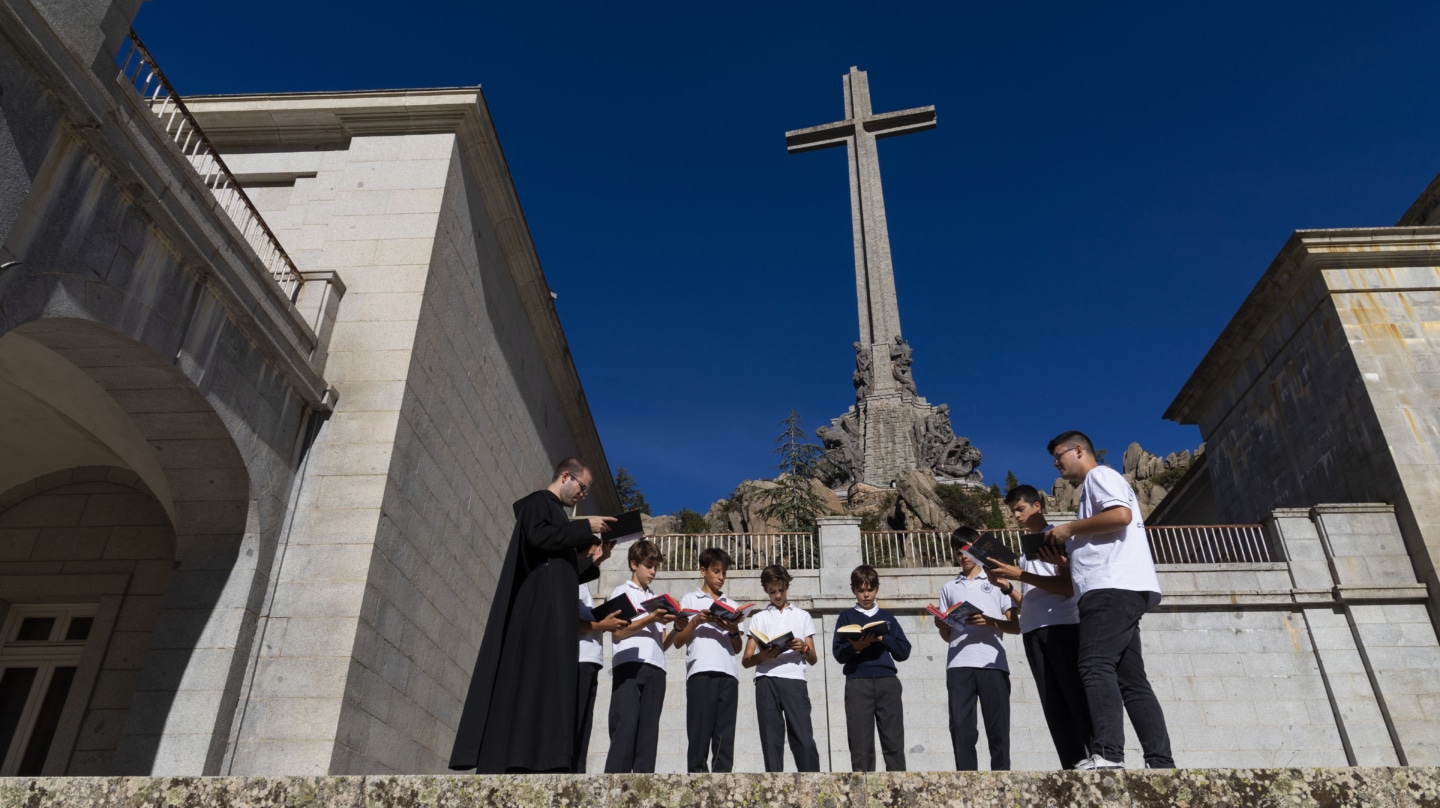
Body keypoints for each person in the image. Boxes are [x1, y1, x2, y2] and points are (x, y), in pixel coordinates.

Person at [449, 459, 614, 773]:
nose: (583, 494)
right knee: (531, 682)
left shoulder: (559, 521)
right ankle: (521, 757)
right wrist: (586, 526)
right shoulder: (538, 503)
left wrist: (595, 560)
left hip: (552, 611)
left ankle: (542, 757)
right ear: (565, 476)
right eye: (583, 487)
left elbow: (559, 572)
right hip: (538, 612)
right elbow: (538, 538)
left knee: (548, 685)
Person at [1046, 430, 1174, 769]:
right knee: (1131, 680)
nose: (1056, 463)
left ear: (1078, 450)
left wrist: (1069, 529)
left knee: (1093, 664)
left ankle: (1108, 754)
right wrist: (1069, 556)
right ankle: (1160, 761)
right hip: (1124, 588)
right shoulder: (1095, 487)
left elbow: (1120, 516)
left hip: (1111, 589)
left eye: (1059, 455)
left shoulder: (1099, 476)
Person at [986, 485, 1093, 769]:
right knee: (1052, 703)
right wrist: (1008, 586)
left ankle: (1097, 755)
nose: (1016, 516)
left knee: (1074, 695)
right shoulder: (1026, 548)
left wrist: (1019, 574)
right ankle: (1071, 763)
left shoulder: (1057, 538)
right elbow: (1032, 596)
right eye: (1012, 511)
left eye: (1020, 509)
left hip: (1061, 626)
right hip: (1033, 629)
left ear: (1037, 506)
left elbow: (1067, 587)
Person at [938, 526, 1019, 771]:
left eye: (967, 550)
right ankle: (966, 781)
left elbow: (1016, 626)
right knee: (961, 728)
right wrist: (942, 624)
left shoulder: (997, 582)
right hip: (959, 665)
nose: (963, 556)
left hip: (992, 663)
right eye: (958, 551)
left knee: (998, 728)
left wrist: (991, 622)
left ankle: (1003, 779)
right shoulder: (948, 588)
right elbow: (947, 635)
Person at [604, 540, 676, 773]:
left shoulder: (656, 598)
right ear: (634, 564)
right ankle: (615, 783)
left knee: (648, 731)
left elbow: (662, 644)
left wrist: (678, 626)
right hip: (629, 665)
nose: (653, 572)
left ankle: (644, 785)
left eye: (656, 566)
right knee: (625, 725)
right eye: (649, 565)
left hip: (656, 668)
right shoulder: (621, 592)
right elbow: (618, 632)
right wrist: (650, 618)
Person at [832, 564, 912, 772]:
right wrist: (855, 647)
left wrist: (882, 637)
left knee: (893, 741)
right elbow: (838, 654)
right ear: (853, 590)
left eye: (870, 590)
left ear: (877, 589)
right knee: (860, 744)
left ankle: (897, 793)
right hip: (858, 682)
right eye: (861, 590)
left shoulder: (888, 617)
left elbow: (904, 652)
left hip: (887, 681)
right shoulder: (846, 617)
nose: (866, 595)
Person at [671, 547, 744, 772]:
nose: (721, 577)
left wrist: (732, 629)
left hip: (728, 674)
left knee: (725, 733)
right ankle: (696, 779)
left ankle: (723, 781)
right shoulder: (690, 599)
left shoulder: (731, 605)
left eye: (724, 573)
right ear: (703, 571)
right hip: (700, 672)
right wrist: (696, 621)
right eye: (716, 571)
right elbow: (677, 641)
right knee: (699, 730)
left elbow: (738, 647)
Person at [743, 564, 820, 772]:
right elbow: (746, 659)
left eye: (781, 590)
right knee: (771, 740)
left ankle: (812, 782)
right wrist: (764, 655)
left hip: (795, 680)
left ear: (787, 586)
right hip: (766, 680)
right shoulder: (758, 618)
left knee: (803, 738)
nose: (777, 595)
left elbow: (813, 658)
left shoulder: (802, 616)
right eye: (772, 591)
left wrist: (802, 646)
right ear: (766, 590)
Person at [574, 539, 628, 772]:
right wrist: (601, 624)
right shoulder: (569, 580)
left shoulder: (582, 585)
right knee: (574, 723)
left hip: (590, 661)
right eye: (593, 548)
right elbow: (568, 620)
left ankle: (576, 774)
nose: (598, 552)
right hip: (576, 660)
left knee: (584, 725)